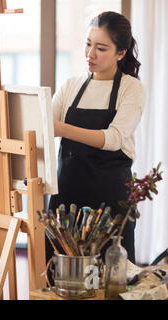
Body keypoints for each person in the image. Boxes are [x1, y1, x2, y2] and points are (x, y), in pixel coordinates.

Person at [48, 11, 145, 264]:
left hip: (110, 203)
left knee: (109, 279)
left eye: (101, 48)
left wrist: (62, 129)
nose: (90, 54)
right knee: (60, 278)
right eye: (88, 44)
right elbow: (43, 125)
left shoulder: (130, 88)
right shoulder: (71, 85)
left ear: (121, 53)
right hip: (67, 201)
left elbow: (113, 139)